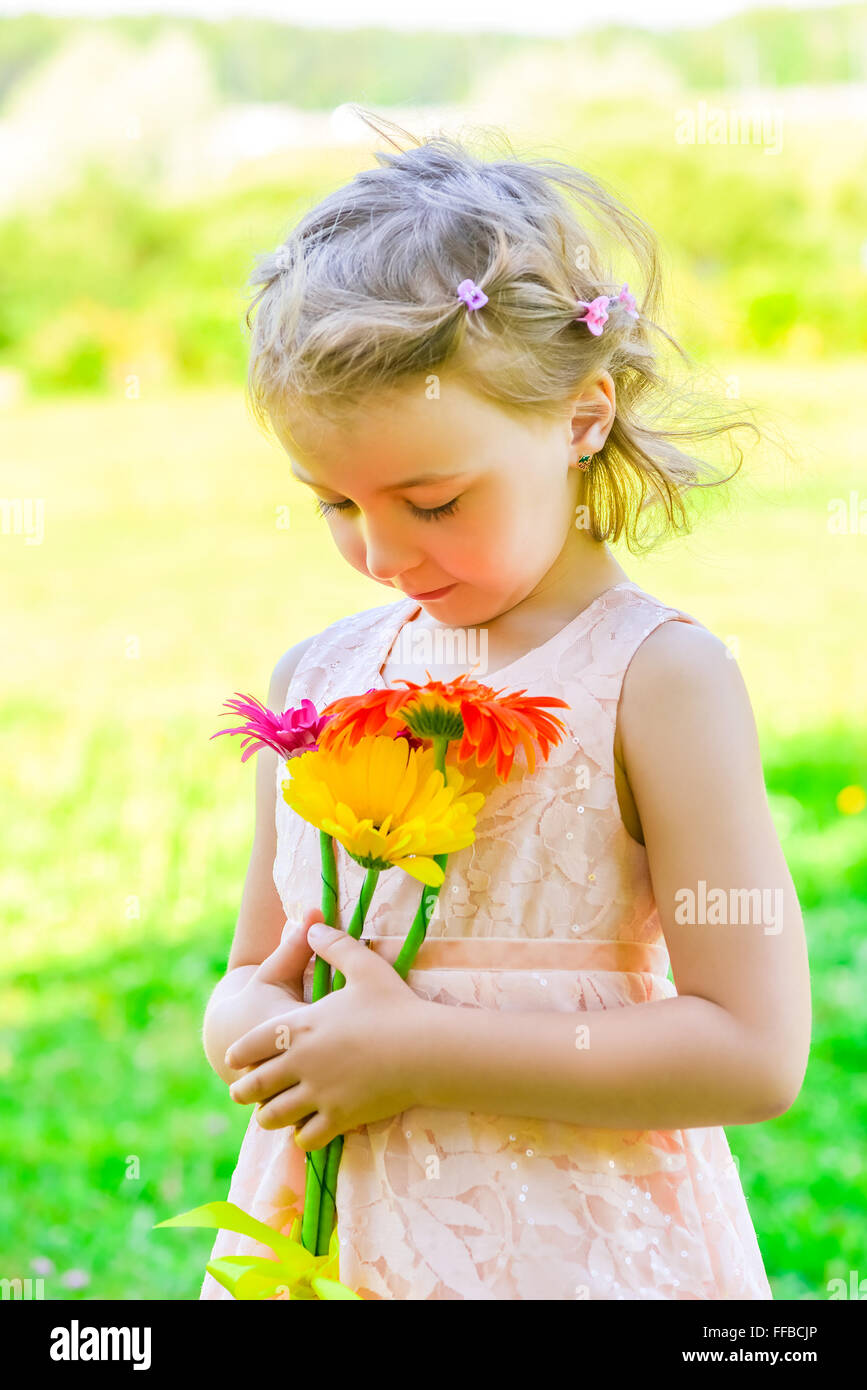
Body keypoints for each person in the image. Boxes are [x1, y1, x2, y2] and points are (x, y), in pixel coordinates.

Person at [199, 109, 811, 1300]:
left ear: (581, 419)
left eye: (431, 501)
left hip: (571, 1248)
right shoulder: (315, 680)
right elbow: (252, 974)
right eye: (334, 502)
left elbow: (753, 1049)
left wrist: (421, 1052)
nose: (379, 553)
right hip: (336, 1241)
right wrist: (257, 1030)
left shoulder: (657, 678)